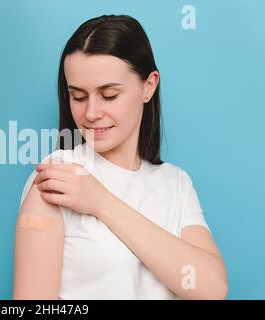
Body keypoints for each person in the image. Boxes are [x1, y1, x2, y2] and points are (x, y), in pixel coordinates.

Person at [13, 14, 228, 300]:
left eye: (109, 95)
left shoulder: (176, 184)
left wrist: (102, 203)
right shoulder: (57, 179)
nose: (91, 113)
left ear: (148, 86)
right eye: (78, 96)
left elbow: (211, 288)